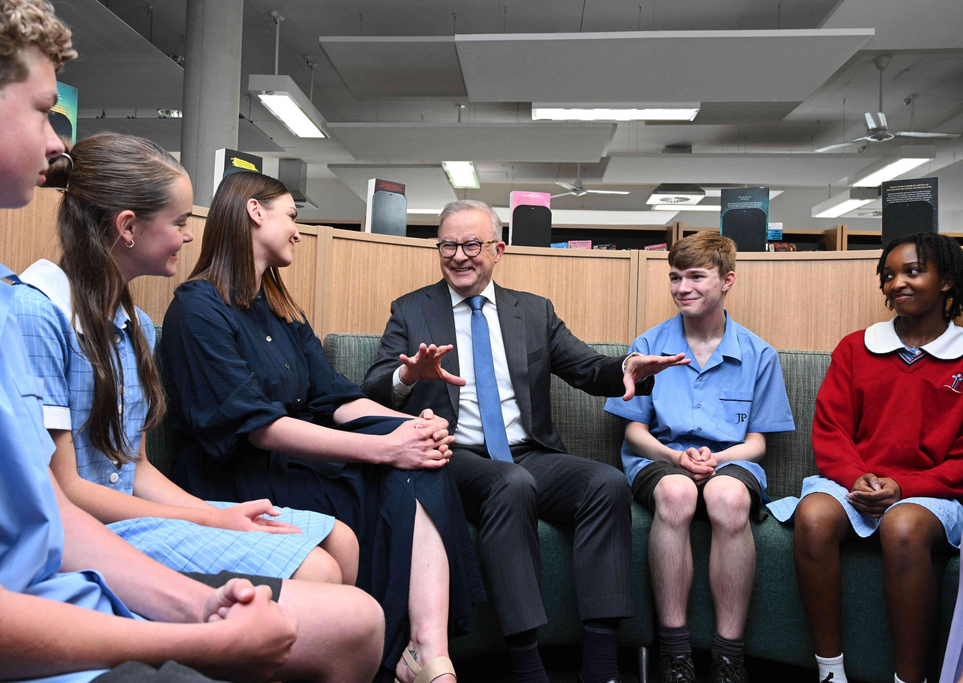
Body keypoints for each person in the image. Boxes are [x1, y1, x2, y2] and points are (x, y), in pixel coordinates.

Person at [0, 1, 383, 682]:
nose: (61, 143)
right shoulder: (30, 308)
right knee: (339, 604)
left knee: (348, 589)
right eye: (43, 111)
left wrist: (208, 560)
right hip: (55, 581)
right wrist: (206, 612)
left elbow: (74, 494)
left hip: (70, 567)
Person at [158, 170, 484, 683]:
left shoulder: (283, 308)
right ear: (254, 212)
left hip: (296, 463)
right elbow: (259, 428)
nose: (298, 230)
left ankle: (427, 651)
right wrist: (383, 451)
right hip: (237, 477)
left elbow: (337, 398)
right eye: (292, 215)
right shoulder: (196, 309)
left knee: (419, 462)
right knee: (397, 470)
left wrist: (411, 427)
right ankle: (412, 654)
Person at [361, 199, 688, 683]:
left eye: (472, 244)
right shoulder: (412, 310)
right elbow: (373, 385)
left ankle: (601, 665)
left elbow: (586, 368)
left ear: (498, 249)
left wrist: (627, 367)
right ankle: (526, 664)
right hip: (453, 455)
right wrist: (407, 377)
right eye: (447, 245)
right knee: (509, 484)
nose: (459, 256)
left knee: (605, 484)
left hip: (529, 453)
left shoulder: (533, 311)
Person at [12, 132, 360, 585]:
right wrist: (209, 520)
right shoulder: (37, 311)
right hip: (78, 528)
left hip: (129, 514)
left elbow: (133, 467)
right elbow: (65, 490)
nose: (190, 234)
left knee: (341, 541)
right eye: (178, 222)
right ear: (129, 227)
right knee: (318, 571)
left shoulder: (135, 321)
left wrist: (219, 515)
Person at [768, 232, 963, 683]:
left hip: (928, 492)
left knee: (904, 524)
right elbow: (831, 431)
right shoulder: (856, 348)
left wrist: (904, 488)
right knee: (813, 516)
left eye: (913, 271)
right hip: (855, 481)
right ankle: (830, 672)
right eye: (890, 275)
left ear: (948, 281)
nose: (898, 283)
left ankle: (908, 679)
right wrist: (859, 478)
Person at [604, 232, 794, 683]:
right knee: (676, 494)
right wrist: (675, 457)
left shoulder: (758, 353)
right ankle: (674, 652)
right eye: (674, 277)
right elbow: (634, 429)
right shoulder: (648, 345)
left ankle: (729, 656)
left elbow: (758, 443)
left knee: (729, 499)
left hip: (730, 459)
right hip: (661, 459)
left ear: (727, 280)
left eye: (695, 276)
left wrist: (717, 459)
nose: (682, 287)